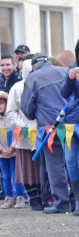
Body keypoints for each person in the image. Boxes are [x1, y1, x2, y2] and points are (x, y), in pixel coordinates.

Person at [21, 53, 71, 214]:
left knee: (55, 166)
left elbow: (26, 108)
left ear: (34, 65)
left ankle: (61, 202)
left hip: (51, 128)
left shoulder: (33, 78)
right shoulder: (65, 71)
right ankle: (75, 200)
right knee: (73, 163)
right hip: (72, 126)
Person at [6, 57, 44, 211]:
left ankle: (45, 196)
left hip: (43, 133)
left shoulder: (42, 85)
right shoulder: (17, 88)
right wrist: (25, 126)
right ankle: (34, 199)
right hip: (24, 135)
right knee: (28, 170)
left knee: (43, 167)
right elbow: (11, 111)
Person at [0, 91, 25, 209]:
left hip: (14, 152)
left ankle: (20, 197)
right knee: (5, 176)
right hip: (2, 154)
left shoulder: (13, 117)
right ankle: (8, 197)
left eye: (2, 103)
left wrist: (13, 146)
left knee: (16, 175)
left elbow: (19, 132)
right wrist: (0, 149)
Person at [59, 39, 79, 216]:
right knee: (71, 161)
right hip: (73, 121)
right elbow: (64, 93)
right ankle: (78, 200)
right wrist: (69, 78)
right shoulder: (74, 67)